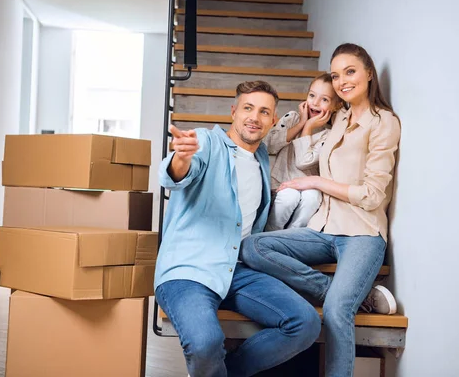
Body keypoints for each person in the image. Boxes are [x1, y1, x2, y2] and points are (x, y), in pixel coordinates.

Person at [240, 44, 401, 377]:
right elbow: (307, 162)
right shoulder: (338, 118)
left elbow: (372, 195)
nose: (342, 80)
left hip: (362, 233)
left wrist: (314, 184)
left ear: (369, 73)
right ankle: (362, 295)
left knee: (337, 310)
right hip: (322, 228)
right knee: (253, 246)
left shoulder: (383, 123)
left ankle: (344, 297)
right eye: (336, 74)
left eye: (350, 71)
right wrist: (308, 128)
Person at [154, 81, 321, 377]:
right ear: (233, 111)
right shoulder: (206, 142)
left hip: (237, 270)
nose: (254, 117)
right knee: (205, 344)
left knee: (305, 323)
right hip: (189, 270)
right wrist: (181, 157)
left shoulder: (260, 158)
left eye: (263, 112)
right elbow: (175, 175)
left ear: (273, 120)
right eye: (247, 108)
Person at [263, 73, 342, 231]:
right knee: (288, 197)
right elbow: (270, 145)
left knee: (313, 197)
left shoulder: (330, 134)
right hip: (281, 185)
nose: (316, 103)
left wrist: (309, 128)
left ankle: (293, 235)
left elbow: (303, 161)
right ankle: (271, 232)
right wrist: (301, 124)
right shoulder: (292, 118)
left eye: (324, 99)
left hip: (308, 187)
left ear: (336, 106)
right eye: (312, 95)